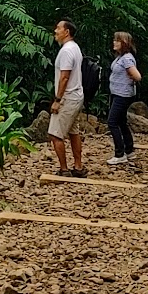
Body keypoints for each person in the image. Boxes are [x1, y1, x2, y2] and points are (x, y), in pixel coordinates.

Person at [47, 17, 87, 176]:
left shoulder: (66, 51)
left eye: (58, 28)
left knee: (55, 134)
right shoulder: (75, 47)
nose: (55, 31)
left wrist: (57, 100)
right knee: (73, 131)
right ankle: (78, 167)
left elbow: (64, 77)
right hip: (77, 96)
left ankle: (64, 169)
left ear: (67, 32)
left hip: (68, 97)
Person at [106, 30, 142, 166]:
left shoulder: (127, 58)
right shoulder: (121, 57)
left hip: (123, 95)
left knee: (112, 122)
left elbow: (137, 76)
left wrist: (130, 78)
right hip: (118, 93)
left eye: (117, 40)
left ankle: (119, 154)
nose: (114, 42)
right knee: (121, 122)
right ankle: (129, 150)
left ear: (124, 43)